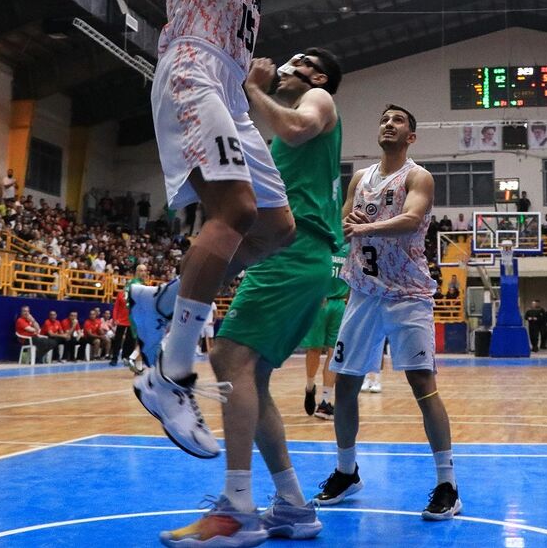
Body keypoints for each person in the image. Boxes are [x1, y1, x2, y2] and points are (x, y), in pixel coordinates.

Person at [131, 0, 306, 467]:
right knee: (231, 210)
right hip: (190, 69)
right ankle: (170, 375)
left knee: (276, 226)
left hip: (229, 91)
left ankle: (168, 300)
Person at [143, 46, 345, 544]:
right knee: (250, 377)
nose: (284, 64)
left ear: (316, 74)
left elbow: (298, 127)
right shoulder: (272, 144)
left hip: (296, 253)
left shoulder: (318, 98)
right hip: (290, 257)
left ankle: (236, 511)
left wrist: (252, 89)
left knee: (230, 358)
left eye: (297, 59)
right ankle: (294, 506)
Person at [314, 105, 461, 521]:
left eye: (398, 120)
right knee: (345, 384)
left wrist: (367, 228)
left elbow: (413, 218)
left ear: (411, 136)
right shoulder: (360, 178)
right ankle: (347, 472)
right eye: (384, 119)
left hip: (407, 295)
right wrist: (349, 220)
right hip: (363, 292)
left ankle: (447, 484)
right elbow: (341, 221)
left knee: (422, 384)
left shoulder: (418, 176)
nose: (388, 124)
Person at [303, 243, 349, 421]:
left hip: (339, 303)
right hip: (318, 301)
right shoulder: (320, 242)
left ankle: (325, 402)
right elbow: (307, 271)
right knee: (314, 349)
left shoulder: (349, 247)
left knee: (334, 352)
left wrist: (349, 299)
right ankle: (309, 387)